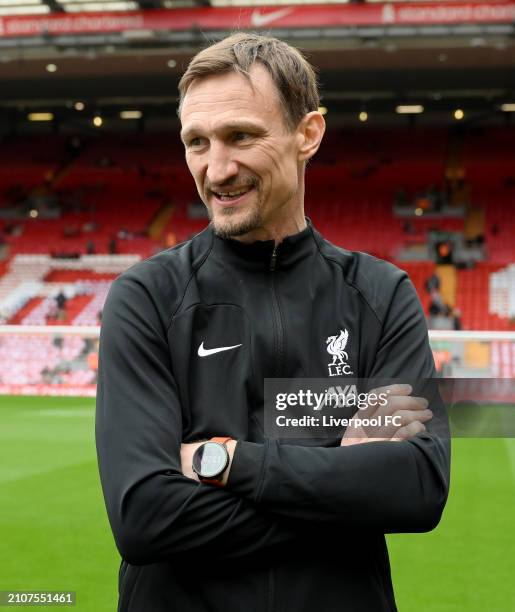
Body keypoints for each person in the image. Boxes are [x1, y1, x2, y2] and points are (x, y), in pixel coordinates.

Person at [96, 33, 450, 612]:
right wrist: (345, 482)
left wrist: (227, 461)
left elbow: (417, 488)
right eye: (197, 143)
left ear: (308, 134)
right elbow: (145, 519)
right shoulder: (147, 298)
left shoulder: (380, 295)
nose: (217, 169)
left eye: (241, 136)